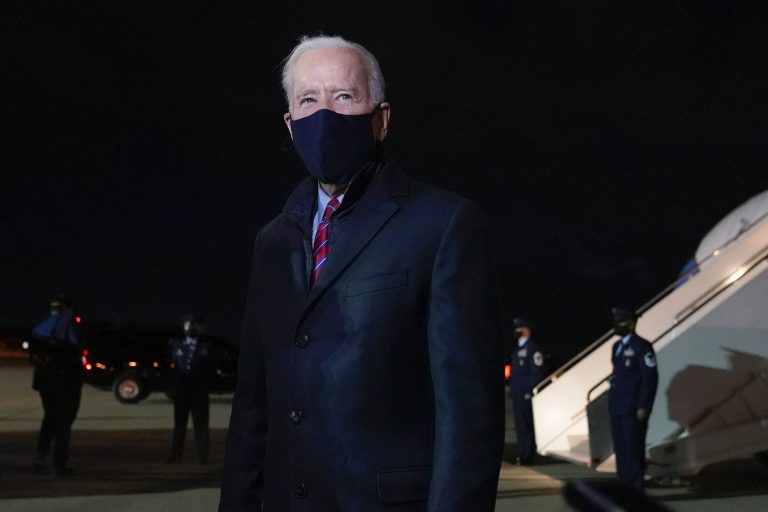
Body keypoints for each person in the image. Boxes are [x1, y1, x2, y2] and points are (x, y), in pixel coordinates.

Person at [219, 35, 505, 511]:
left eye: (344, 96)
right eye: (308, 100)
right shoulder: (272, 241)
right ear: (290, 124)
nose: (324, 114)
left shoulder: (443, 224)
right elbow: (253, 404)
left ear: (381, 119)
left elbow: (468, 416)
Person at [29, 294, 84, 476]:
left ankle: (40, 459)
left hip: (45, 383)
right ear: (67, 308)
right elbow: (77, 346)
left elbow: (34, 357)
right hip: (66, 383)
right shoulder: (68, 327)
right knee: (64, 423)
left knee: (49, 418)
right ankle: (59, 463)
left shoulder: (40, 329)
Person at [608, 307, 658, 492]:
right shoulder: (617, 347)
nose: (616, 325)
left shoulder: (642, 346)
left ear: (631, 323)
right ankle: (624, 486)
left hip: (632, 407)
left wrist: (644, 405)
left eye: (620, 321)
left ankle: (636, 489)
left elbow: (650, 377)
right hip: (617, 406)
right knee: (621, 449)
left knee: (633, 448)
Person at [167, 314, 212, 464]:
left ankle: (203, 455)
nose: (190, 328)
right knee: (179, 424)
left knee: (201, 425)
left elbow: (210, 369)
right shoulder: (177, 345)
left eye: (193, 325)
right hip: (181, 392)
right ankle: (176, 454)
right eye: (187, 325)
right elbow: (174, 368)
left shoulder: (206, 347)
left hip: (199, 393)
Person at [509, 317, 545, 465]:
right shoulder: (518, 348)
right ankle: (522, 452)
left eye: (519, 328)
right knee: (520, 425)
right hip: (517, 393)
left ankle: (528, 454)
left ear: (526, 330)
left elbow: (537, 371)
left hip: (525, 393)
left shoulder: (532, 348)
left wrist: (529, 390)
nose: (516, 331)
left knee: (526, 424)